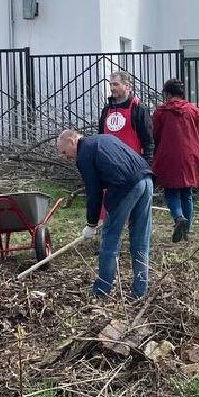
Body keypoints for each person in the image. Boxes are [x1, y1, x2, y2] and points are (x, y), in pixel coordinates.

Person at [57, 128, 152, 300]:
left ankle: (102, 291)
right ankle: (140, 291)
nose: (65, 157)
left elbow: (94, 192)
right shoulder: (103, 139)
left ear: (72, 141)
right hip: (146, 178)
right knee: (140, 238)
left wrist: (91, 223)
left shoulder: (84, 153)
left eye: (64, 152)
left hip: (125, 185)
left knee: (109, 238)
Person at [151, 78, 199, 242]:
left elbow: (155, 135)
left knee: (170, 191)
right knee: (187, 193)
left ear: (168, 93)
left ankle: (178, 218)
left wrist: (152, 153)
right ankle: (187, 231)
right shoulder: (193, 110)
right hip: (191, 155)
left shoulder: (161, 112)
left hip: (168, 155)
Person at [98, 69, 153, 163]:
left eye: (116, 84)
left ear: (127, 86)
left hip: (133, 165)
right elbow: (100, 138)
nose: (112, 88)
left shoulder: (138, 108)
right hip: (109, 165)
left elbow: (148, 142)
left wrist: (146, 166)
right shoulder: (106, 110)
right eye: (110, 84)